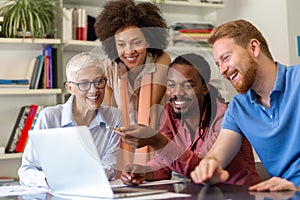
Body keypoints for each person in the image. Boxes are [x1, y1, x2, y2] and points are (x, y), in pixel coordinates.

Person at [190, 19, 300, 191]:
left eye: (225, 58)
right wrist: (208, 169)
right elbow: (216, 156)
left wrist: (297, 186)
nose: (222, 70)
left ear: (254, 48)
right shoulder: (238, 108)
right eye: (218, 64)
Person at [118, 53, 260, 186]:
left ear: (204, 89)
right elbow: (164, 163)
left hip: (238, 194)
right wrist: (144, 172)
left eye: (187, 85)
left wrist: (157, 141)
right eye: (171, 85)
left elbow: (202, 170)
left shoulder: (226, 117)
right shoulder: (169, 113)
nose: (177, 92)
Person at [18, 52, 122, 187]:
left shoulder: (114, 117)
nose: (94, 90)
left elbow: (110, 167)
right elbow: (27, 171)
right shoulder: (49, 117)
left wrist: (81, 178)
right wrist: (50, 179)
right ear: (70, 88)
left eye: (99, 81)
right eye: (84, 84)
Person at [94, 0, 171, 167]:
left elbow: (150, 109)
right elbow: (112, 118)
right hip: (123, 155)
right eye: (121, 44)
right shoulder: (109, 69)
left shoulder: (161, 62)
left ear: (149, 41)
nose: (129, 51)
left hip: (159, 154)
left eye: (136, 42)